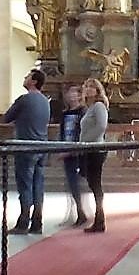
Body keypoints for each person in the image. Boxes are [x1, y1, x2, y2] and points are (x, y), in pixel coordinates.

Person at [1, 68, 51, 234]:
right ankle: (37, 222)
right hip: (42, 147)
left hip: (25, 146)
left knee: (25, 185)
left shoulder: (24, 99)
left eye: (27, 76)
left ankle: (23, 222)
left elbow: (7, 117)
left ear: (34, 81)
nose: (24, 78)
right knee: (38, 185)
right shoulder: (45, 101)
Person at [79, 78, 111, 233]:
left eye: (91, 87)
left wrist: (86, 140)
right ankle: (99, 219)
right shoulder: (89, 108)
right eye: (86, 86)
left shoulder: (99, 106)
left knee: (96, 185)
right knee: (93, 184)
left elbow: (101, 127)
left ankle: (100, 219)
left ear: (98, 90)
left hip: (95, 149)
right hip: (88, 148)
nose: (87, 89)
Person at [57, 85, 89, 226]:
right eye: (68, 93)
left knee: (77, 184)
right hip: (66, 149)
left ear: (79, 96)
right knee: (70, 184)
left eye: (73, 93)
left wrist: (73, 149)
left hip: (77, 151)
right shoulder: (65, 113)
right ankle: (73, 213)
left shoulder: (83, 111)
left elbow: (81, 132)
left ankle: (81, 213)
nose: (70, 96)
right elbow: (62, 132)